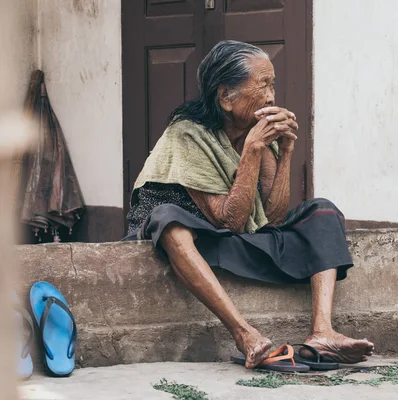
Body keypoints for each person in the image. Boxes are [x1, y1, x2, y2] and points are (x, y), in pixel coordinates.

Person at [124, 40, 374, 368]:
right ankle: (245, 334)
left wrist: (284, 152)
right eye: (263, 85)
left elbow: (272, 217)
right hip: (194, 244)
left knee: (322, 210)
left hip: (233, 242)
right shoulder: (187, 134)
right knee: (169, 219)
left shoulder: (255, 133)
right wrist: (253, 149)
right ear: (226, 96)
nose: (272, 96)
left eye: (273, 85)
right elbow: (228, 221)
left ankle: (323, 331)